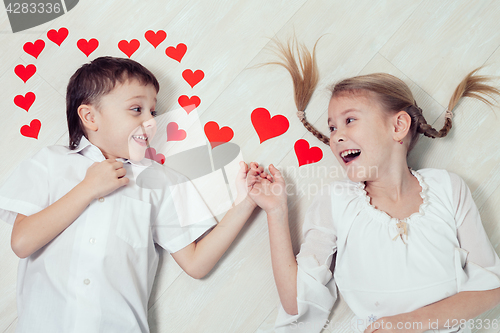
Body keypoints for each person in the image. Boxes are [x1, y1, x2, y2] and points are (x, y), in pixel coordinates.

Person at [247, 39, 500, 333]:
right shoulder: (336, 200)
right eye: (331, 127)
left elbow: (491, 287)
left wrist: (408, 324)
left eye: (349, 120)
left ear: (398, 126)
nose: (336, 136)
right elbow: (297, 304)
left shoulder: (448, 188)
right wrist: (276, 213)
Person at [0, 56, 268, 333]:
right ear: (90, 117)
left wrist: (244, 203)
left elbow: (196, 263)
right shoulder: (50, 162)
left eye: (153, 112)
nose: (151, 121)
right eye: (137, 109)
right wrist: (88, 188)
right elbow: (22, 242)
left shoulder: (163, 182)